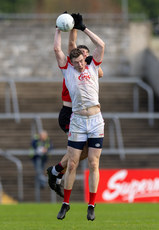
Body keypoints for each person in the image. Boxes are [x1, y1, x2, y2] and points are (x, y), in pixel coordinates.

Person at [52, 13, 105, 221]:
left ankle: (91, 205)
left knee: (93, 163)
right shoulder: (68, 71)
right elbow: (57, 49)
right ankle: (66, 204)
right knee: (72, 164)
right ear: (71, 63)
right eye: (76, 62)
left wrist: (83, 28)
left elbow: (101, 45)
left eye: (82, 60)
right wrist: (58, 28)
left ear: (85, 59)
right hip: (78, 121)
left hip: (95, 120)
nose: (80, 64)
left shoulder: (93, 65)